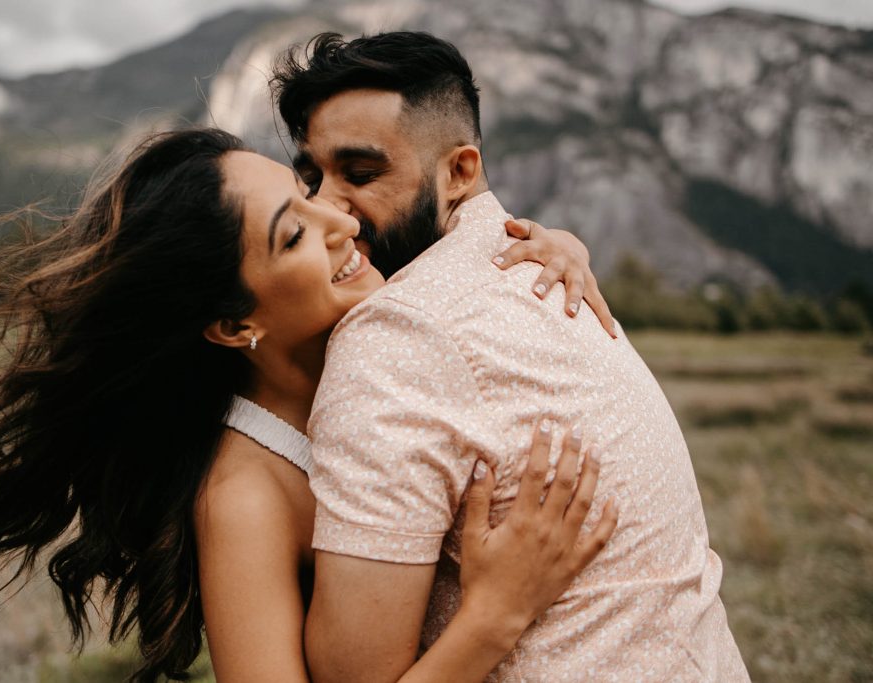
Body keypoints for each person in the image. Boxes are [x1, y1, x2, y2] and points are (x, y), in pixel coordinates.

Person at [0, 128, 618, 682]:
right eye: (294, 232)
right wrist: (496, 615)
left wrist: (556, 245)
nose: (342, 222)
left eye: (307, 195)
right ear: (236, 325)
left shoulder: (365, 323)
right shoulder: (244, 497)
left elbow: (477, 243)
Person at [270, 32, 749, 681]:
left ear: (459, 171)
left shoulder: (397, 333)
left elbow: (353, 675)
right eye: (310, 178)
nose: (326, 204)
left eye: (360, 173)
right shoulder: (541, 276)